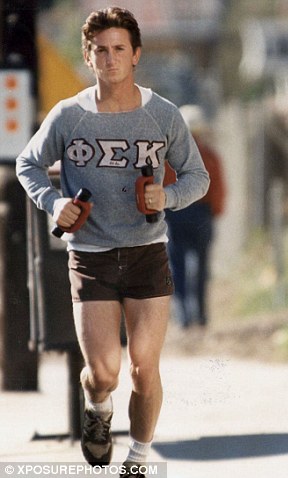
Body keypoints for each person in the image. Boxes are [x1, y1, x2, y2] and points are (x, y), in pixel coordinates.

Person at [15, 7, 209, 477]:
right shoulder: (69, 116)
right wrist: (53, 202)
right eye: (100, 50)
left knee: (144, 366)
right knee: (103, 371)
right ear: (88, 56)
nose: (110, 58)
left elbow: (197, 177)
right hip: (91, 256)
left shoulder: (162, 114)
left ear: (136, 54)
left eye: (119, 49)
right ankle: (98, 407)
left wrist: (168, 196)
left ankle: (137, 460)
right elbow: (28, 165)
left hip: (147, 253)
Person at [163, 104, 226, 329]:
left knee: (179, 266)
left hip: (177, 213)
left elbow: (162, 188)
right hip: (199, 214)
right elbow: (218, 189)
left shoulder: (168, 159)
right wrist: (214, 212)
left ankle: (185, 317)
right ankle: (198, 316)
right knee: (198, 267)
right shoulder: (209, 156)